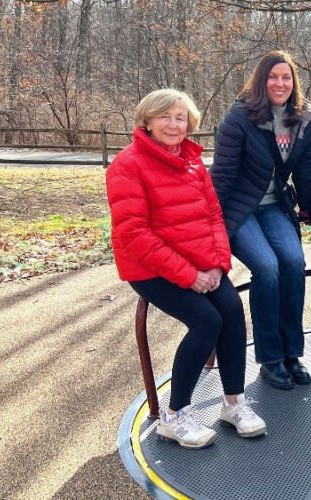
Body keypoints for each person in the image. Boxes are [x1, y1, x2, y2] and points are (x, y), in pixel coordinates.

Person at [106, 88, 266, 449]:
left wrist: (218, 265)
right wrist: (189, 276)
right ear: (147, 121)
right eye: (165, 116)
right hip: (150, 268)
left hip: (200, 263)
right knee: (207, 321)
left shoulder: (193, 162)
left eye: (180, 118)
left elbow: (213, 216)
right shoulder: (128, 165)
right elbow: (134, 234)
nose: (173, 124)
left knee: (231, 311)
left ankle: (234, 404)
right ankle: (175, 415)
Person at [210, 51, 311, 391]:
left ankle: (292, 353)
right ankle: (270, 357)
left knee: (293, 261)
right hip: (240, 208)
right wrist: (212, 223)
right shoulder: (240, 116)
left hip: (275, 205)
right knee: (267, 267)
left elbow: (304, 170)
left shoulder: (304, 117)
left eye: (286, 77)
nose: (280, 83)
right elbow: (223, 174)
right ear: (261, 80)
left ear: (294, 82)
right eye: (273, 77)